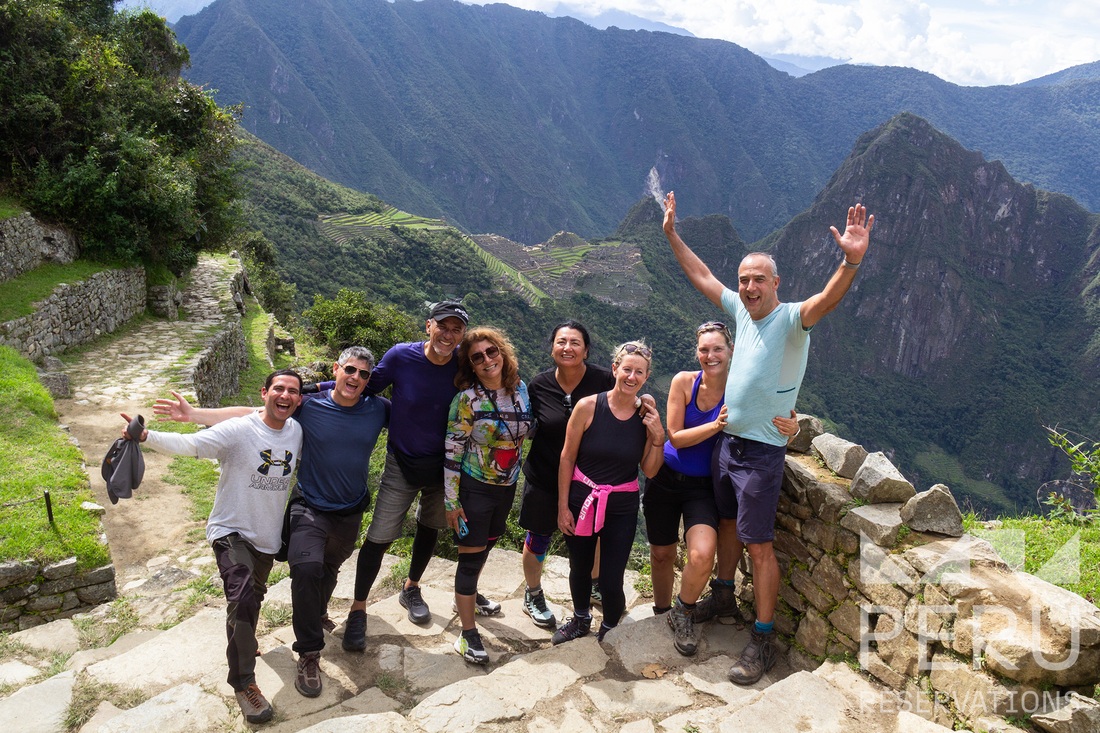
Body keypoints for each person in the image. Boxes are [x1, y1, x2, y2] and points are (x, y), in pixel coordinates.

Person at [662, 190, 873, 684]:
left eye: (759, 279)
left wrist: (851, 262)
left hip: (761, 453)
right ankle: (721, 596)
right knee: (730, 526)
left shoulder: (793, 319)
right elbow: (702, 277)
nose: (749, 286)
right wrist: (672, 234)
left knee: (759, 546)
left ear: (776, 283)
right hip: (727, 445)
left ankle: (762, 639)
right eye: (744, 279)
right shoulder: (738, 311)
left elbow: (827, 300)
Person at [153, 346, 388, 698]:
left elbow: (415, 420)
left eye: (364, 374)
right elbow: (253, 413)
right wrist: (195, 414)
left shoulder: (378, 409)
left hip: (351, 509)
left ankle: (316, 612)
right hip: (309, 504)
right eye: (350, 370)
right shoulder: (309, 405)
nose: (355, 378)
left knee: (328, 569)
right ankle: (309, 652)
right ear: (337, 370)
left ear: (370, 381)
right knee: (305, 569)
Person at [122, 370, 304, 724]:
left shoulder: (296, 431)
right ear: (264, 392)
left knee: (253, 597)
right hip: (230, 529)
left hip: (266, 536)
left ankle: (245, 640)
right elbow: (192, 445)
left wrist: (195, 412)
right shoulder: (239, 430)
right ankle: (243, 683)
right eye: (278, 389)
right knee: (242, 598)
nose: (285, 396)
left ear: (299, 399)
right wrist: (146, 435)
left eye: (293, 392)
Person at [648, 322, 798, 656]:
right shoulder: (684, 382)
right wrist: (715, 425)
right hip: (666, 477)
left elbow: (779, 412)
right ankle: (662, 611)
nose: (710, 355)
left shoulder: (741, 387)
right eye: (704, 349)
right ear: (696, 352)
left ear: (731, 352)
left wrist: (795, 425)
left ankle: (682, 610)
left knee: (701, 554)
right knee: (661, 552)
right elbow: (675, 436)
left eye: (718, 349)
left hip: (703, 486)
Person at [338, 300, 471, 651]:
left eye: (456, 329)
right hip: (402, 463)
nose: (448, 334)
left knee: (431, 527)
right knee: (379, 536)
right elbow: (360, 385)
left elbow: (495, 387)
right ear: (428, 326)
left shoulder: (463, 364)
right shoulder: (401, 356)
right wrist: (305, 393)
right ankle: (358, 608)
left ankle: (411, 587)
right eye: (443, 325)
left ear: (462, 336)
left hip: (445, 467)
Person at [553, 341, 666, 644]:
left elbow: (651, 470)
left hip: (621, 505)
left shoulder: (646, 415)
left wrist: (658, 438)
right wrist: (563, 506)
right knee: (579, 566)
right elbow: (567, 457)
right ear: (615, 369)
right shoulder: (588, 407)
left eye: (639, 372)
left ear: (647, 376)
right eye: (627, 369)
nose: (632, 377)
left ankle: (611, 625)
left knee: (611, 578)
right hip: (582, 498)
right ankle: (580, 618)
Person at [444, 327, 534, 663]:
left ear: (502, 352)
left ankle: (468, 597)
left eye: (491, 351)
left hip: (506, 488)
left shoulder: (520, 389)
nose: (487, 360)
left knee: (488, 545)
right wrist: (452, 502)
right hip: (473, 488)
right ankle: (467, 635)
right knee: (469, 560)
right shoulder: (467, 400)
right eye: (477, 357)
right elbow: (452, 452)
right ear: (471, 365)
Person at [519, 321, 615, 628]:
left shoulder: (605, 379)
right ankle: (532, 593)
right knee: (538, 536)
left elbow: (626, 406)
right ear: (552, 348)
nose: (567, 348)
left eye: (575, 343)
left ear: (586, 350)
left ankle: (596, 583)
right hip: (545, 477)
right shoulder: (539, 385)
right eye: (561, 342)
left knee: (595, 533)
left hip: (591, 480)